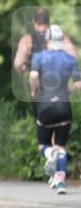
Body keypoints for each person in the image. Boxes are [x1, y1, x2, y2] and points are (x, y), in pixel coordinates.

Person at [29, 25, 81, 195]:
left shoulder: (39, 57)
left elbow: (34, 76)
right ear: (62, 39)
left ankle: (49, 153)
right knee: (61, 147)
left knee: (43, 144)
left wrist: (34, 91)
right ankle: (60, 183)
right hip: (64, 107)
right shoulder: (70, 60)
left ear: (47, 39)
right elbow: (78, 84)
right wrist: (68, 91)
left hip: (45, 106)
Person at [14, 7, 76, 76]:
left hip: (36, 82)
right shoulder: (62, 38)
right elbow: (73, 58)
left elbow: (18, 64)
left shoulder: (26, 40)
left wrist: (27, 70)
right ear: (49, 23)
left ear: (34, 22)